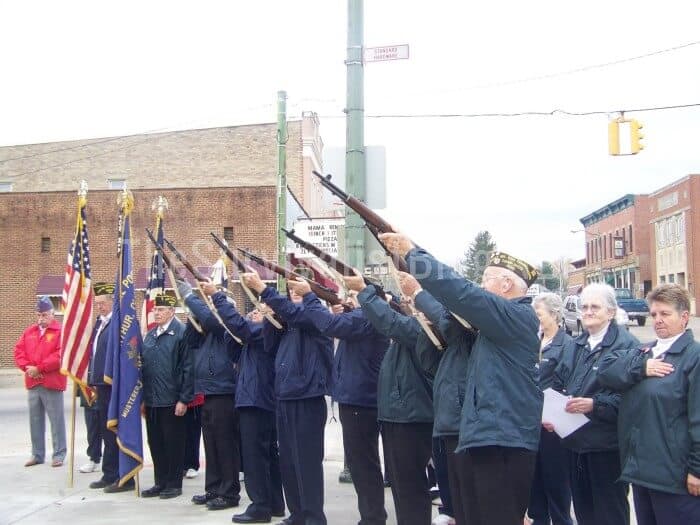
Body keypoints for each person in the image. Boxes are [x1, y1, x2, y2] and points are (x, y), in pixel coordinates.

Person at [381, 234, 542, 525]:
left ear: (506, 285)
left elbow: (461, 292)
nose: (481, 285)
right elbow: (448, 311)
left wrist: (413, 253)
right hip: (488, 437)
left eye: (487, 279)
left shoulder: (517, 315)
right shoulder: (493, 323)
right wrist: (418, 290)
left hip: (503, 440)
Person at [287, 279, 389, 525]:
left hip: (360, 401)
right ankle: (372, 517)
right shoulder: (362, 316)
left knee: (363, 465)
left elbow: (329, 324)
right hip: (357, 398)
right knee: (362, 464)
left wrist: (310, 296)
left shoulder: (365, 317)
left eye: (354, 294)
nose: (349, 299)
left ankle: (373, 519)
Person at [598, 284, 700, 524]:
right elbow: (605, 371)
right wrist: (641, 369)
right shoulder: (645, 351)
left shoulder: (693, 358)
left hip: (675, 477)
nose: (658, 320)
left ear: (684, 317)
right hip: (642, 473)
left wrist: (697, 469)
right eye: (654, 314)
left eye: (665, 314)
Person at [344, 273, 440, 525]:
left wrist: (365, 292)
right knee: (402, 485)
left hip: (411, 416)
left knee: (409, 487)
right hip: (401, 414)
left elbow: (391, 322)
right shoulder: (414, 324)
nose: (406, 301)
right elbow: (395, 314)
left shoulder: (424, 329)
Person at [241, 269, 333, 525]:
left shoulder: (316, 316)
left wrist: (265, 291)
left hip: (307, 396)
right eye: (290, 289)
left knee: (307, 462)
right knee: (289, 461)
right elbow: (270, 347)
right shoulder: (290, 319)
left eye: (299, 289)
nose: (294, 293)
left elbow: (297, 314)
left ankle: (314, 516)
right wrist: (270, 318)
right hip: (284, 395)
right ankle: (298, 513)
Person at [550, 283, 639, 525]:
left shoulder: (626, 346)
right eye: (584, 307)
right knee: (583, 511)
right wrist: (553, 414)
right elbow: (559, 382)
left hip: (606, 447)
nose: (588, 312)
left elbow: (630, 400)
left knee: (610, 513)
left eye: (595, 307)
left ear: (611, 312)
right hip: (574, 443)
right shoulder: (575, 345)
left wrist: (594, 404)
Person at [396, 271, 474, 525]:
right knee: (452, 488)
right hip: (444, 418)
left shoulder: (464, 327)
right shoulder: (448, 334)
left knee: (468, 496)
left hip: (461, 421)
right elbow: (430, 364)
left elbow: (446, 319)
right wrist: (426, 330)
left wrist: (419, 293)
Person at [211, 285, 286, 524]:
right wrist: (230, 324)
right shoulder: (254, 334)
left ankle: (259, 506)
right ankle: (274, 503)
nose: (257, 311)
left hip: (258, 398)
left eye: (262, 308)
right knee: (267, 454)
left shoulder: (270, 329)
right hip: (254, 396)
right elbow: (234, 349)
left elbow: (242, 329)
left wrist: (218, 298)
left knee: (255, 456)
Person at [175, 278, 243, 511]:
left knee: (225, 444)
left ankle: (229, 492)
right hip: (209, 391)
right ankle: (213, 488)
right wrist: (192, 317)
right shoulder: (208, 331)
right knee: (211, 443)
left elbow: (211, 320)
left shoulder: (226, 325)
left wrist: (190, 297)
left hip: (225, 391)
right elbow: (191, 339)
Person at [527, 293, 573, 525]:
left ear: (554, 314)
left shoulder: (568, 345)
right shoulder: (533, 341)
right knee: (534, 488)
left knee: (556, 486)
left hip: (554, 427)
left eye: (540, 314)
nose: (536, 319)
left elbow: (567, 383)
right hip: (531, 423)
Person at [140, 293, 193, 499]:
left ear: (172, 311)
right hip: (153, 399)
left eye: (161, 309)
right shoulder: (151, 335)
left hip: (172, 399)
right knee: (156, 443)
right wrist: (144, 398)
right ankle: (160, 481)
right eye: (155, 309)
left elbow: (188, 368)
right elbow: (144, 367)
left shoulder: (181, 333)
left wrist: (184, 399)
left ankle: (174, 483)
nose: (157, 313)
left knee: (173, 443)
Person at [85, 283, 133, 492]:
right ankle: (109, 473)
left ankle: (123, 476)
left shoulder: (117, 323)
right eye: (97, 304)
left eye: (102, 303)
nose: (99, 307)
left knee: (115, 431)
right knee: (106, 431)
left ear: (111, 302)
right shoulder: (100, 323)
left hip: (112, 386)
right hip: (100, 385)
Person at [14, 296, 67, 468]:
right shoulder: (29, 332)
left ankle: (59, 454)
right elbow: (18, 351)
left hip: (51, 382)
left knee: (56, 420)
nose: (40, 319)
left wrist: (40, 368)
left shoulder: (59, 332)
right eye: (38, 315)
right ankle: (37, 454)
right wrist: (27, 368)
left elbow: (59, 356)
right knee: (35, 420)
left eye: (44, 315)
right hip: (33, 382)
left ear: (52, 314)